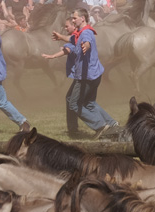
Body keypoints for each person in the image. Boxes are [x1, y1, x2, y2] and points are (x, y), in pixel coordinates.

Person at [50, 8, 118, 138]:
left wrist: (86, 46)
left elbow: (87, 41)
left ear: (82, 18)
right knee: (89, 103)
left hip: (86, 76)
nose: (73, 20)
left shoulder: (86, 33)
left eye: (75, 18)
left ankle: (100, 126)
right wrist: (61, 37)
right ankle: (112, 123)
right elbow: (72, 39)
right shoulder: (81, 32)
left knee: (74, 103)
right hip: (93, 74)